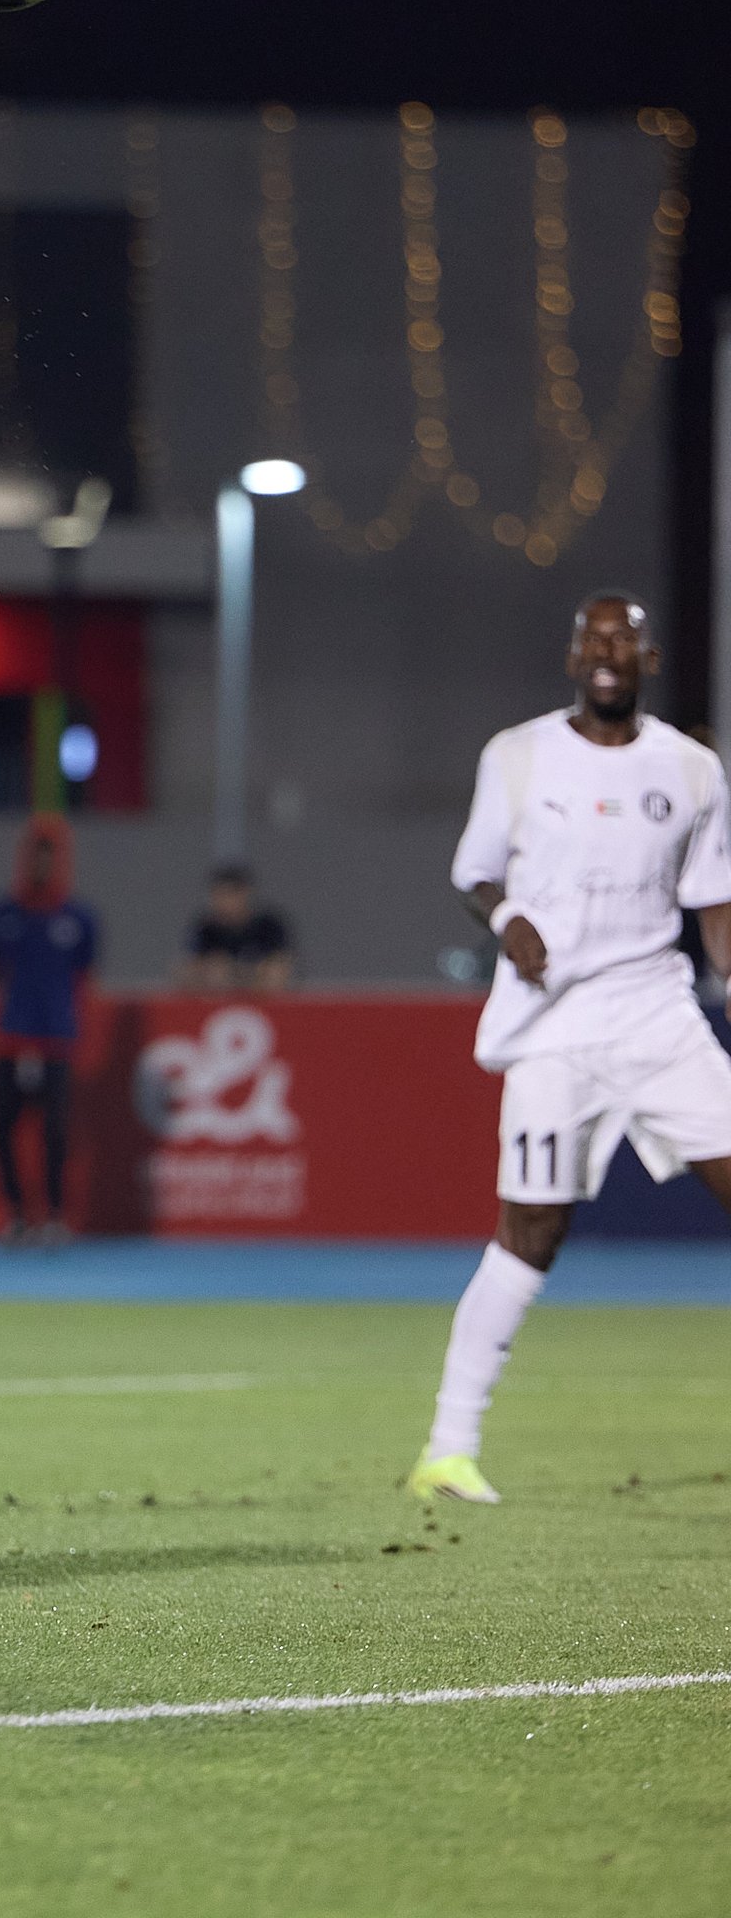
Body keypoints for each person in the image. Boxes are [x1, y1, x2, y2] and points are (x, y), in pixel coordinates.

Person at [410, 592, 731, 1508]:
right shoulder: (516, 756)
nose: (607, 655)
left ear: (648, 660)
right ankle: (447, 1449)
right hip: (552, 1029)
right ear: (571, 658)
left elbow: (714, 898)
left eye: (623, 642)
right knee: (532, 1232)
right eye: (593, 641)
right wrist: (508, 917)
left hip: (657, 1016)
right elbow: (475, 872)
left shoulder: (693, 769)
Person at [0, 814, 97, 1244]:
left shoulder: (78, 919)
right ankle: (17, 1213)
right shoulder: (2, 914)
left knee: (56, 1133)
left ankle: (53, 1215)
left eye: (50, 856)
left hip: (55, 1043)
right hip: (10, 1040)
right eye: (36, 855)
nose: (41, 864)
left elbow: (83, 973)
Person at [178, 865, 294, 992]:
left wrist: (240, 973)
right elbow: (186, 969)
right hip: (219, 998)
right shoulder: (205, 929)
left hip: (263, 996)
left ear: (244, 893)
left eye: (229, 895)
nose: (223, 902)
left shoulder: (268, 926)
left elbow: (282, 966)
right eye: (218, 896)